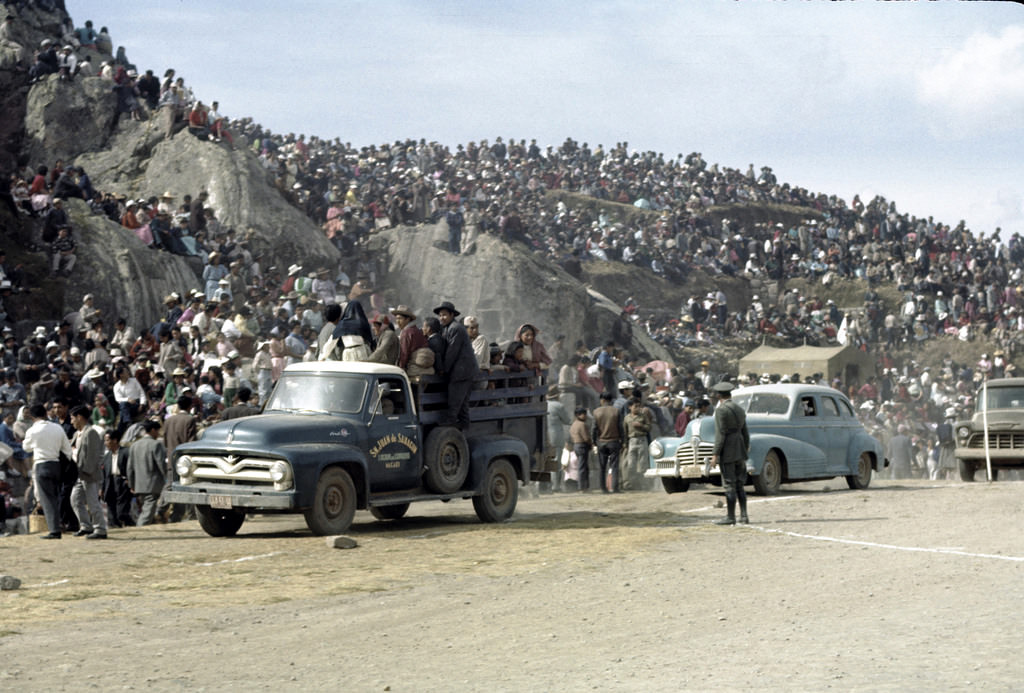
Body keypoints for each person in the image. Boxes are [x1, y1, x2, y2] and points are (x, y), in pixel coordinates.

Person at [22, 403, 73, 538]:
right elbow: (67, 450)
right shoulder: (57, 427)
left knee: (47, 499)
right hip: (56, 464)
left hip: (42, 464)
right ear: (45, 414)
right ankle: (60, 523)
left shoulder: (32, 430)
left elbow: (26, 447)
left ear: (32, 417)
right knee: (57, 496)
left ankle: (54, 530)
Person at [434, 301, 478, 429]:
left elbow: (452, 352)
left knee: (455, 399)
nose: (442, 318)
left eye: (444, 315)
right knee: (463, 404)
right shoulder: (449, 327)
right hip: (465, 370)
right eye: (440, 315)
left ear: (452, 315)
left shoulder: (455, 328)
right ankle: (464, 430)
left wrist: (443, 369)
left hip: (462, 371)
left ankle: (451, 422)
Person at [711, 381, 750, 525]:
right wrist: (745, 448)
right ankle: (744, 516)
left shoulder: (721, 410)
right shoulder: (739, 409)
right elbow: (745, 432)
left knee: (729, 484)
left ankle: (731, 516)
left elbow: (720, 434)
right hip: (740, 449)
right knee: (740, 485)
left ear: (719, 395)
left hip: (728, 450)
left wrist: (715, 455)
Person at [68, 404, 106, 539]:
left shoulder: (91, 433)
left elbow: (93, 455)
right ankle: (86, 526)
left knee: (93, 503)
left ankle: (100, 529)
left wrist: (86, 471)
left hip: (89, 474)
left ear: (79, 417)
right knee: (75, 499)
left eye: (72, 418)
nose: (71, 421)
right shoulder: (76, 434)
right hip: (80, 474)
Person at [127, 420, 166, 526]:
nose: (158, 433)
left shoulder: (134, 445)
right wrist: (167, 477)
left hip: (139, 484)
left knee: (146, 509)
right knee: (147, 512)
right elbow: (162, 464)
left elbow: (130, 468)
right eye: (158, 431)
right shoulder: (156, 444)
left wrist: (132, 484)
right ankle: (139, 529)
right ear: (153, 430)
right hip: (153, 484)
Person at [592, 391, 623, 493]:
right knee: (614, 466)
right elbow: (620, 427)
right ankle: (615, 488)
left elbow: (594, 429)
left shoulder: (596, 412)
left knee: (602, 467)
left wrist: (594, 441)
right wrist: (622, 440)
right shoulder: (616, 411)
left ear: (602, 400)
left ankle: (603, 488)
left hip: (601, 442)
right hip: (614, 441)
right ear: (610, 400)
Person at [102, 428, 133, 528]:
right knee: (111, 510)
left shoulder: (126, 452)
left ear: (115, 440)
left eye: (107, 440)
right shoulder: (106, 457)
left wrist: (130, 481)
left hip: (122, 482)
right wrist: (101, 489)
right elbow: (104, 474)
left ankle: (131, 524)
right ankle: (115, 527)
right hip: (110, 483)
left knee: (121, 512)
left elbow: (132, 468)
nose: (105, 443)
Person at [622, 397, 651, 490]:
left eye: (639, 406)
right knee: (631, 464)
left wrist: (641, 426)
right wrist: (625, 444)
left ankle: (644, 484)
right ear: (630, 407)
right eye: (635, 406)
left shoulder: (643, 416)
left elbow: (649, 427)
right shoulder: (627, 418)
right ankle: (632, 484)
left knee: (643, 464)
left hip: (642, 440)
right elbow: (625, 432)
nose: (637, 408)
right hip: (632, 441)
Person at [569, 406, 593, 492]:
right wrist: (591, 444)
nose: (585, 416)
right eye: (584, 414)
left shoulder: (573, 424)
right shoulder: (582, 424)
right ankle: (583, 487)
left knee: (582, 466)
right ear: (578, 415)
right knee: (583, 467)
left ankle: (583, 486)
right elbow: (586, 438)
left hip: (576, 445)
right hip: (582, 445)